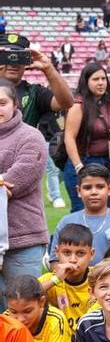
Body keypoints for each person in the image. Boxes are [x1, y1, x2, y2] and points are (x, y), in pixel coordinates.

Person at [0, 77, 50, 299]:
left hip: (23, 240)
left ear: (15, 104)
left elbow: (13, 183)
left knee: (23, 308)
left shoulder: (31, 137)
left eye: (2, 103)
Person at [62, 61, 110, 213]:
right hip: (83, 161)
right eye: (96, 79)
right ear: (86, 82)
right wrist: (79, 167)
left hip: (107, 164)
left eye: (103, 79)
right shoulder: (78, 105)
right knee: (82, 213)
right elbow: (69, 137)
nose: (101, 83)